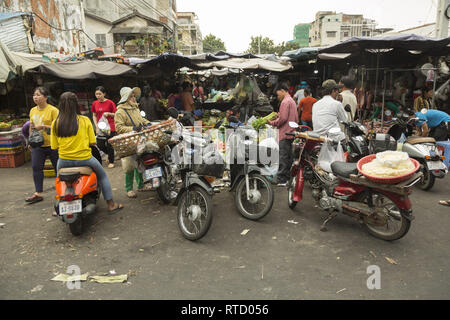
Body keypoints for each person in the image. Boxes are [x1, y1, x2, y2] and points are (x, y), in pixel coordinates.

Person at [51, 92, 123, 214]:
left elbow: (54, 146)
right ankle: (110, 204)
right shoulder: (84, 120)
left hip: (63, 161)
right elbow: (92, 142)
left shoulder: (55, 123)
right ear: (76, 105)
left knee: (59, 179)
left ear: (60, 105)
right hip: (85, 159)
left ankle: (57, 208)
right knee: (102, 176)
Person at [114, 87, 151, 198]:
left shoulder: (135, 108)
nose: (134, 98)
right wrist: (133, 129)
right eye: (131, 96)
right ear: (125, 98)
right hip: (127, 141)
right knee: (129, 166)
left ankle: (140, 185)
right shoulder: (120, 111)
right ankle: (129, 188)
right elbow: (118, 128)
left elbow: (141, 120)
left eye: (134, 96)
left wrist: (148, 123)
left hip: (138, 140)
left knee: (139, 163)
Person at [25, 87, 59, 204]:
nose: (35, 97)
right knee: (36, 167)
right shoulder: (32, 110)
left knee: (58, 169)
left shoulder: (53, 110)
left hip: (53, 144)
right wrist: (30, 141)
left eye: (38, 95)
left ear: (46, 97)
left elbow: (58, 127)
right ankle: (38, 193)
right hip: (38, 145)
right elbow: (31, 126)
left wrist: (44, 126)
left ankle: (62, 192)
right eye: (34, 95)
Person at [268, 83, 299, 187]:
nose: (278, 97)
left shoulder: (285, 102)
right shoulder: (292, 101)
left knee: (283, 157)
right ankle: (287, 178)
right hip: (291, 133)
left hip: (285, 133)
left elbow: (283, 119)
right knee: (288, 157)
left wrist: (272, 122)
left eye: (278, 94)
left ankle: (281, 180)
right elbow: (295, 118)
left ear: (282, 90)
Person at [91, 86, 117, 169]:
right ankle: (110, 154)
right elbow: (94, 115)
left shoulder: (110, 103)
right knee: (100, 144)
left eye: (100, 94)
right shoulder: (94, 103)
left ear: (104, 94)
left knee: (110, 144)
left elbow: (116, 114)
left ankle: (111, 161)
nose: (98, 96)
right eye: (96, 94)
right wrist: (96, 126)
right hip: (101, 127)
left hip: (110, 126)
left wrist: (109, 114)